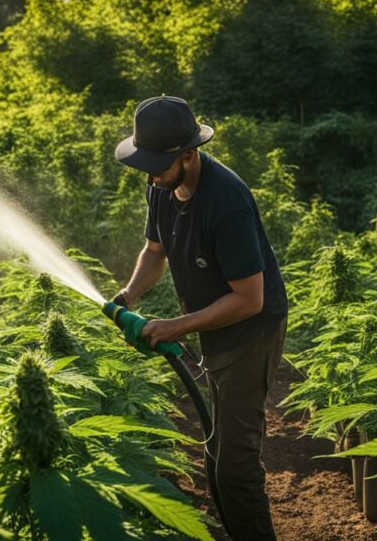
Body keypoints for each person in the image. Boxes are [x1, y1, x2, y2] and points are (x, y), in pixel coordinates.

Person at [111, 95, 288, 541]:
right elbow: (155, 251)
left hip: (251, 332)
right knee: (216, 451)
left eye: (157, 165)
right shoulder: (162, 186)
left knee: (235, 469)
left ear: (189, 154)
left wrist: (174, 326)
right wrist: (130, 294)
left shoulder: (226, 203)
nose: (150, 176)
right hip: (215, 326)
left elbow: (249, 299)